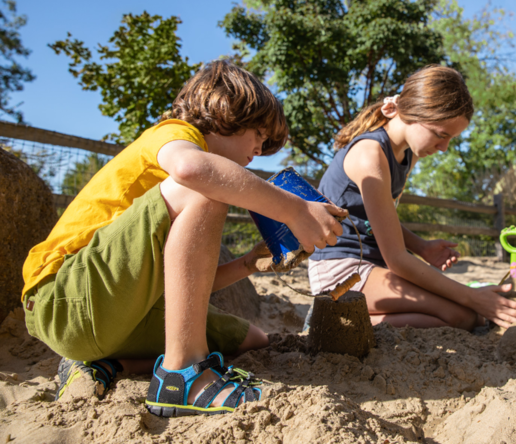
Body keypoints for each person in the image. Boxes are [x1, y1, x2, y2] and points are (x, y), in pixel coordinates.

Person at [21, 60, 346, 416]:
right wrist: (295, 210)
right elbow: (193, 170)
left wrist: (248, 264)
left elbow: (182, 287)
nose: (260, 148)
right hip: (64, 299)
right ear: (226, 110)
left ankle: (107, 365)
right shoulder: (175, 134)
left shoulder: (190, 184)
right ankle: (184, 377)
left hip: (111, 317)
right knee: (209, 185)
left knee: (251, 340)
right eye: (259, 134)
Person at [307, 65, 516, 330]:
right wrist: (472, 296)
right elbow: (397, 259)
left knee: (463, 314)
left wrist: (421, 247)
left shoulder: (406, 155)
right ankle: (331, 318)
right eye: (441, 134)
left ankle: (348, 319)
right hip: (342, 269)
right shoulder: (370, 155)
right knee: (463, 315)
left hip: (373, 265)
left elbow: (377, 220)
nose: (444, 147)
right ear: (412, 113)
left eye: (451, 139)